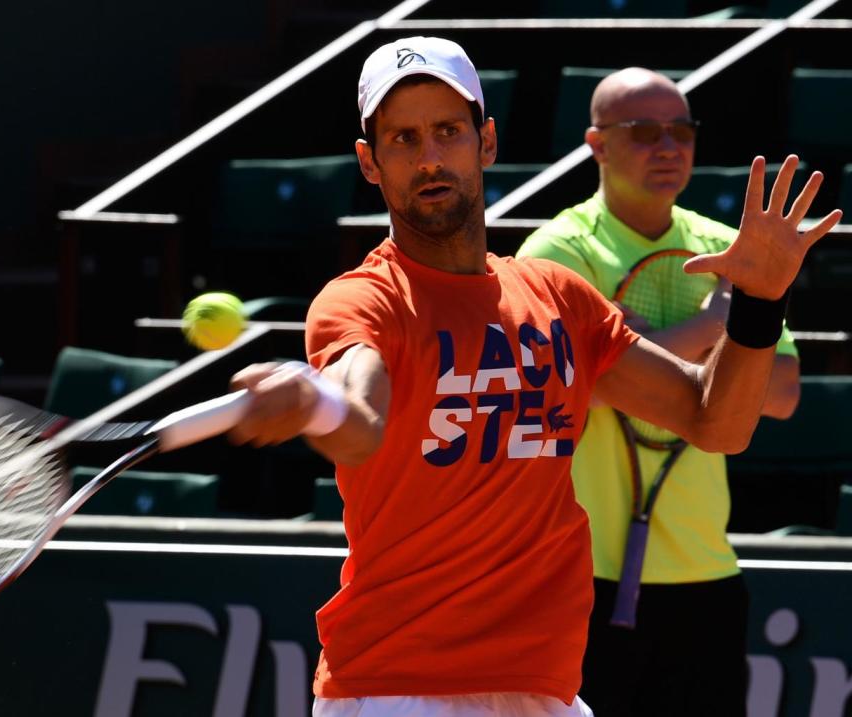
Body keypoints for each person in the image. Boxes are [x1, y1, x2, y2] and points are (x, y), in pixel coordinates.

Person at [225, 38, 841, 717]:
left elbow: (716, 421)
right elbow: (360, 417)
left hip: (545, 688)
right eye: (403, 138)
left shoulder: (560, 297)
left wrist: (758, 306)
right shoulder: (361, 300)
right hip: (396, 689)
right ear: (370, 162)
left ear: (485, 142)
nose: (430, 157)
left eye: (448, 131)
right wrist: (314, 402)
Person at [516, 67, 802, 716]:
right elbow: (582, 381)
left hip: (706, 573)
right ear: (597, 144)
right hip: (578, 576)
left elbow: (782, 390)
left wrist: (647, 345)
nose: (669, 147)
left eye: (682, 130)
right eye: (644, 131)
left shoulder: (726, 247)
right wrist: (712, 326)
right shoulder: (557, 252)